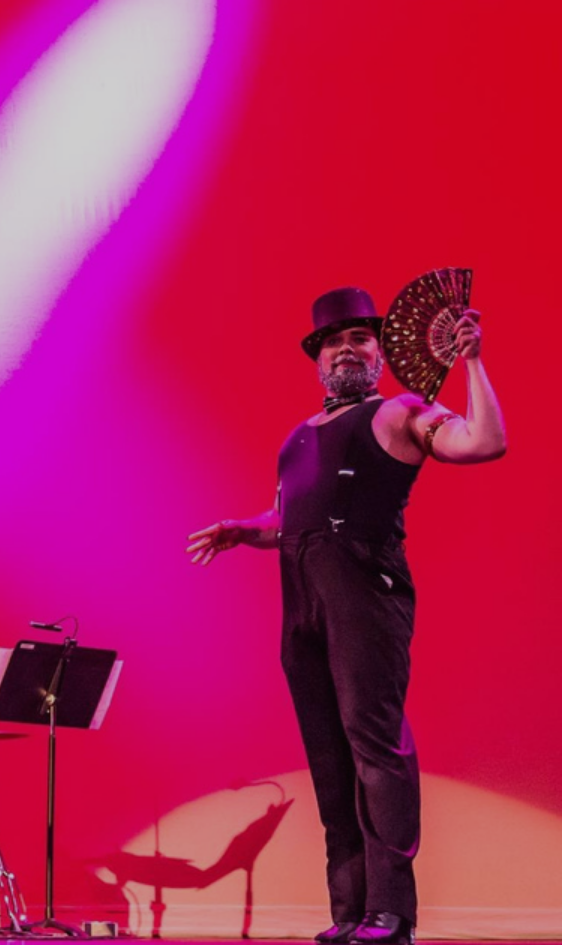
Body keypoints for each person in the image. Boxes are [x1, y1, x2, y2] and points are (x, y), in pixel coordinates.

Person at [186, 288, 506, 945]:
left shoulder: (401, 410)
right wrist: (242, 529)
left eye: (360, 338)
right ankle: (350, 909)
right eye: (333, 342)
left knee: (375, 749)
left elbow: (482, 442)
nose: (346, 349)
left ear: (380, 352)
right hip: (302, 601)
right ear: (318, 360)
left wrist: (473, 363)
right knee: (329, 758)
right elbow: (291, 519)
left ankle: (392, 912)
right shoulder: (297, 437)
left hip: (364, 592)